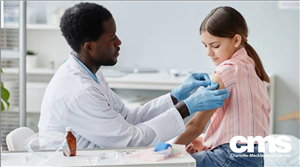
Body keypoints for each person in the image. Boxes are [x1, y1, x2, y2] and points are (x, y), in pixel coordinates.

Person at [38, 2, 230, 149]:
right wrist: (187, 107)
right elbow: (130, 140)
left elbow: (128, 118)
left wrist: (176, 96)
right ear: (89, 46)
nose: (119, 42)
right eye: (112, 38)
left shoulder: (90, 72)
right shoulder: (80, 91)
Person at [173, 6, 270, 167]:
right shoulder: (252, 68)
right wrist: (207, 141)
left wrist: (169, 152)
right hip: (255, 158)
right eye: (205, 45)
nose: (208, 52)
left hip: (230, 157)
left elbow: (196, 125)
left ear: (236, 40)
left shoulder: (227, 70)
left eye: (215, 45)